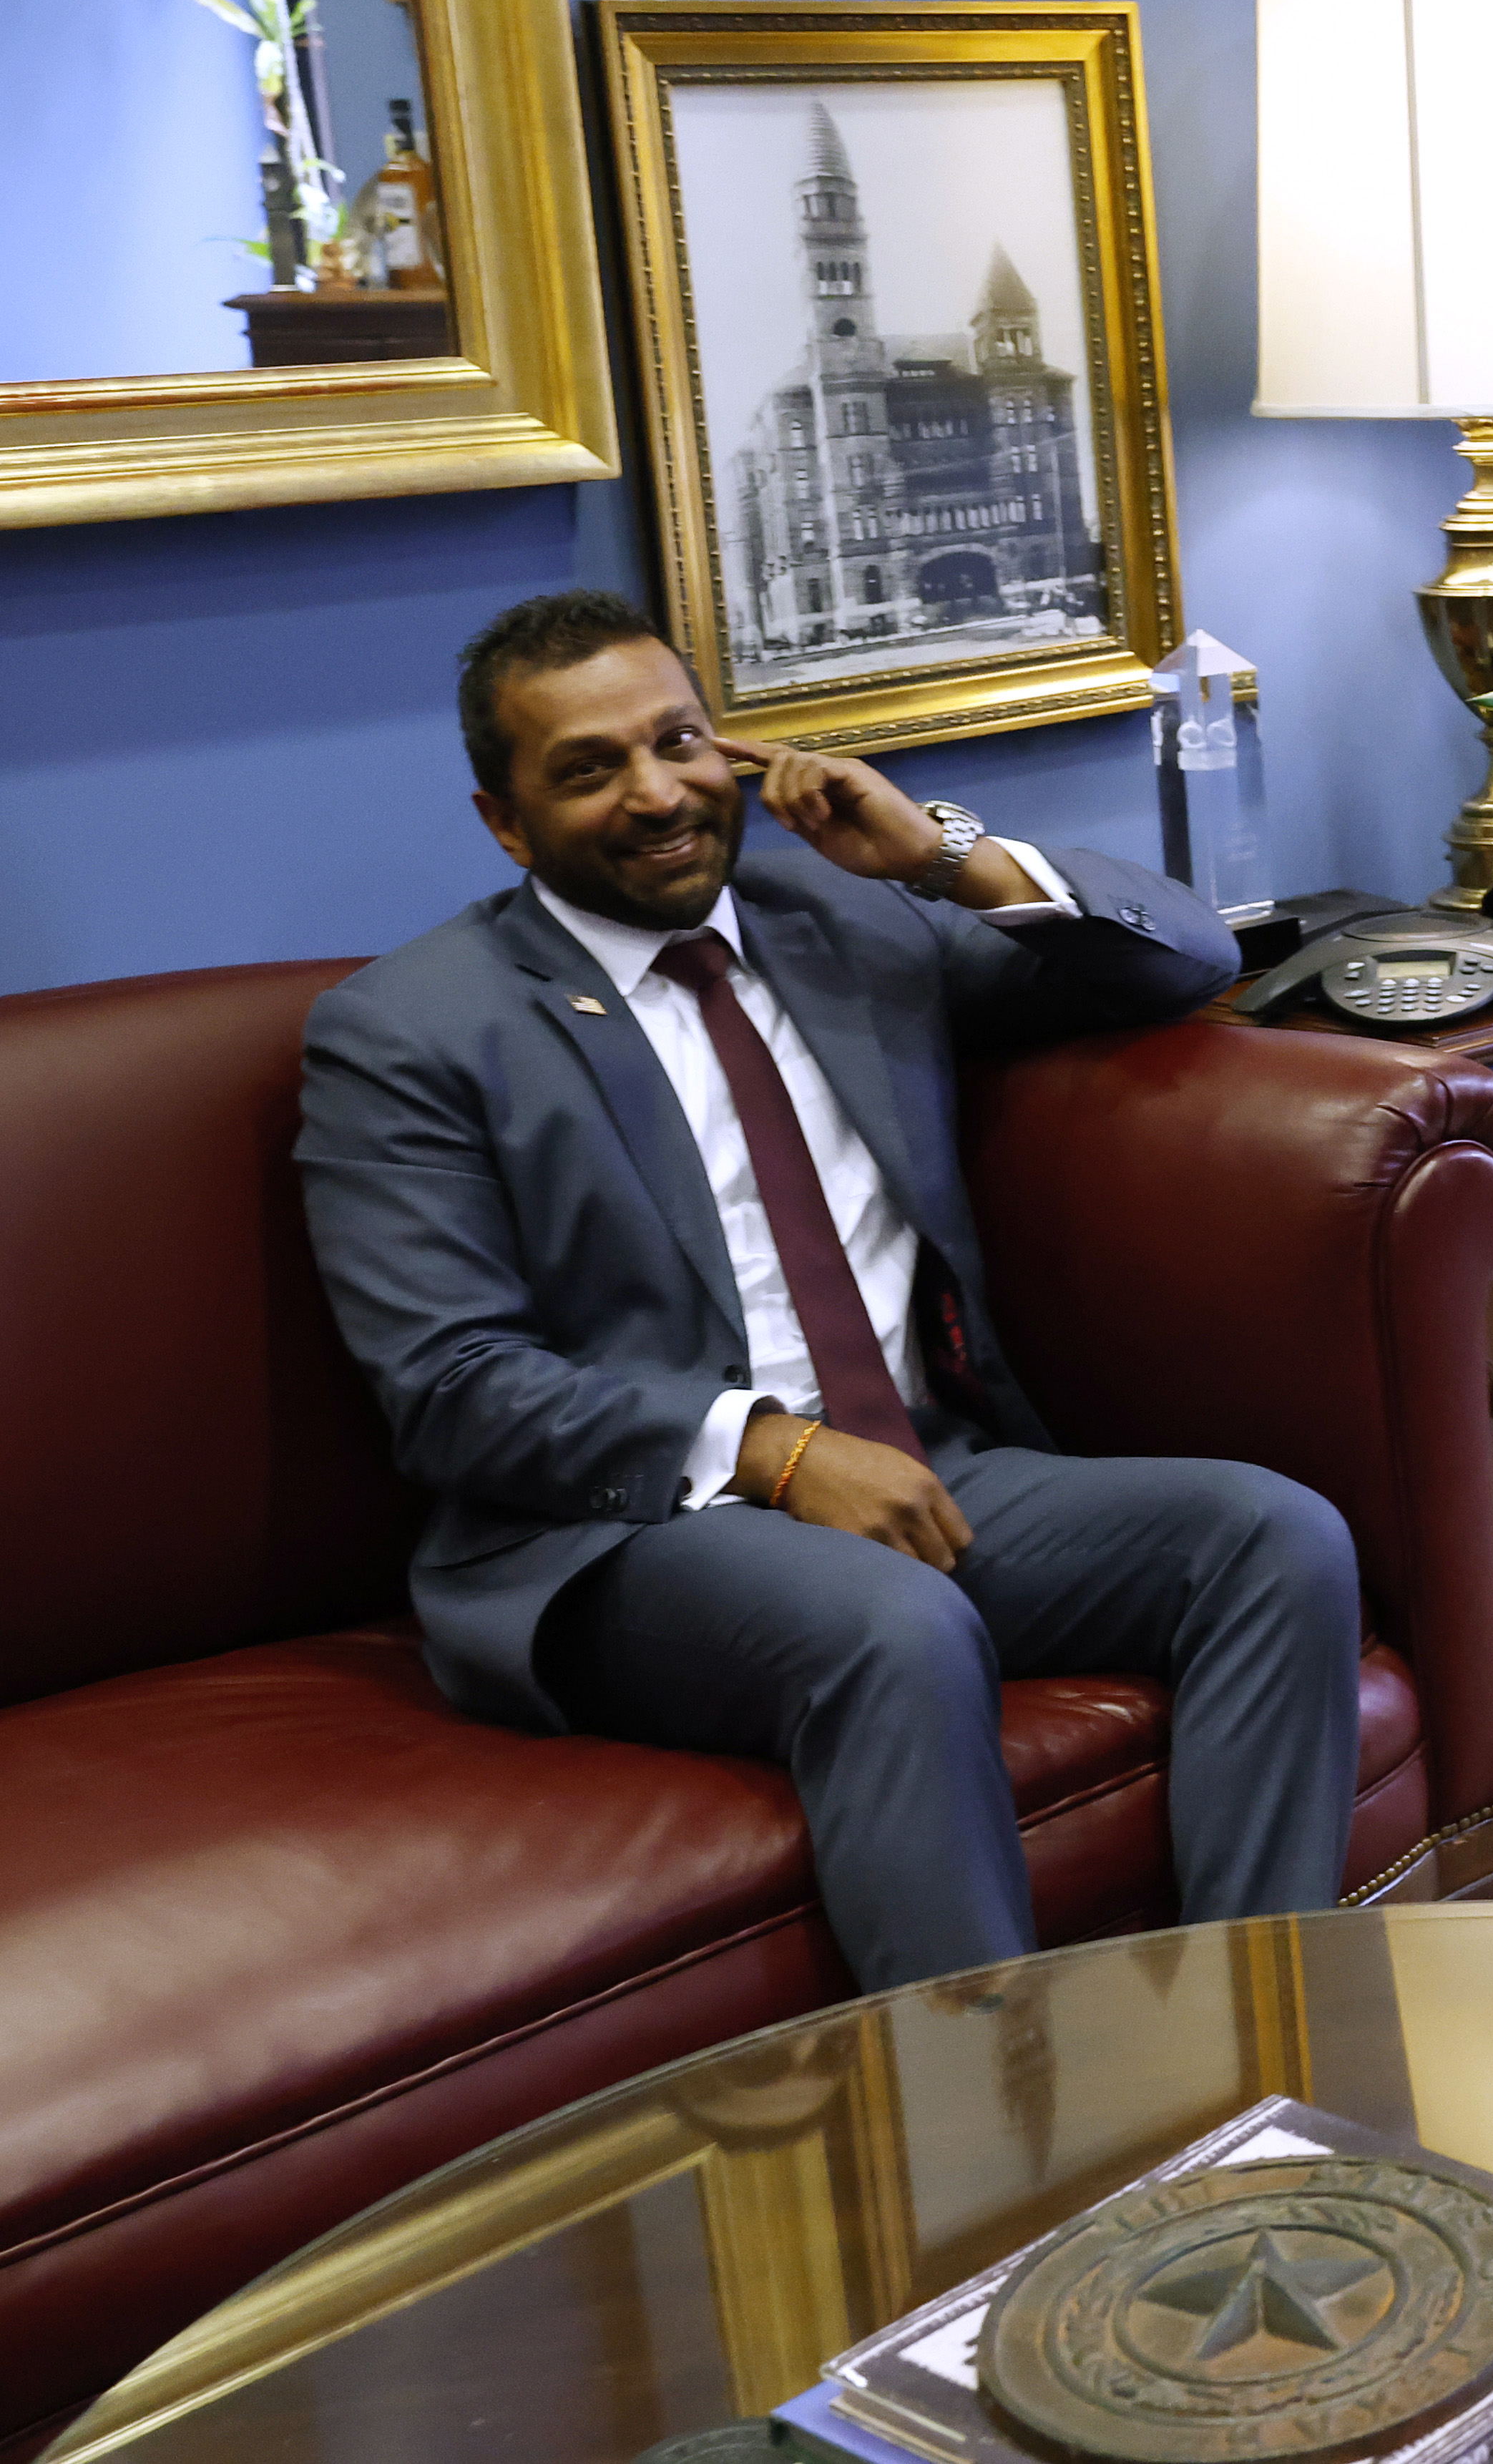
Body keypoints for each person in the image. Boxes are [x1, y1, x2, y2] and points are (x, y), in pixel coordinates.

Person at [299, 590, 1364, 1993]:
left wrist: (939, 849)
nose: (656, 790)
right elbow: (449, 1386)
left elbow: (1190, 955)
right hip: (635, 1534)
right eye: (589, 767)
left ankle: (1259, 2049)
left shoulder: (844, 917)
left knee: (1271, 1536)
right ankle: (999, 2150)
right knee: (893, 1623)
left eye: (678, 741)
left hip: (934, 1466)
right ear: (505, 821)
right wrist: (777, 1451)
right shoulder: (413, 1029)